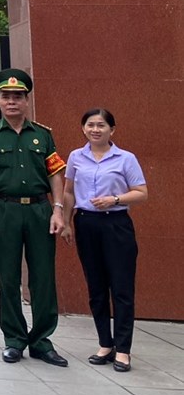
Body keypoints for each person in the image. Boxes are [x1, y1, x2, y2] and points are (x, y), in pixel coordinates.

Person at [0, 68, 68, 366]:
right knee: (8, 277)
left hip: (40, 209)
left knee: (43, 277)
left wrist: (57, 210)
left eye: (17, 96)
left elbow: (55, 173)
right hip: (5, 209)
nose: (12, 101)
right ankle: (14, 340)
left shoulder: (43, 134)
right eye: (6, 97)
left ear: (26, 101)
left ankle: (41, 340)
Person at [60, 108, 148, 372]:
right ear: (83, 128)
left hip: (116, 224)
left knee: (121, 288)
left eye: (101, 125)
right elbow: (68, 191)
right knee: (96, 287)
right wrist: (66, 222)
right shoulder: (76, 157)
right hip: (86, 224)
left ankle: (123, 349)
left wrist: (115, 199)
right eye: (90, 125)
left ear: (112, 130)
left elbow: (141, 192)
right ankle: (105, 344)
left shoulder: (125, 158)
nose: (95, 130)